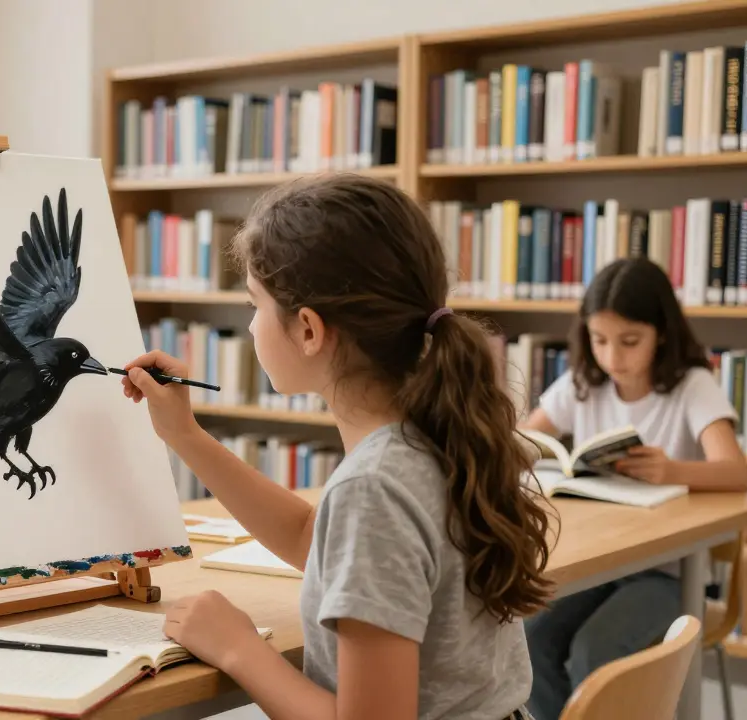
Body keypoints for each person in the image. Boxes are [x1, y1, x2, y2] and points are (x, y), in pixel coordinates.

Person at [121, 175, 550, 719]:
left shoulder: (375, 487)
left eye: (255, 304)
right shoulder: (432, 436)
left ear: (308, 330)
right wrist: (185, 435)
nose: (252, 327)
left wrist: (238, 647)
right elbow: (312, 539)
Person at [519, 256, 747, 720]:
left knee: (592, 652)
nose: (613, 358)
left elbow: (737, 471)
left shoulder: (692, 385)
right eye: (599, 341)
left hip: (670, 575)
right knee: (528, 637)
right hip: (602, 562)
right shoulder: (585, 383)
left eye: (629, 342)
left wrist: (674, 471)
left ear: (660, 333)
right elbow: (523, 441)